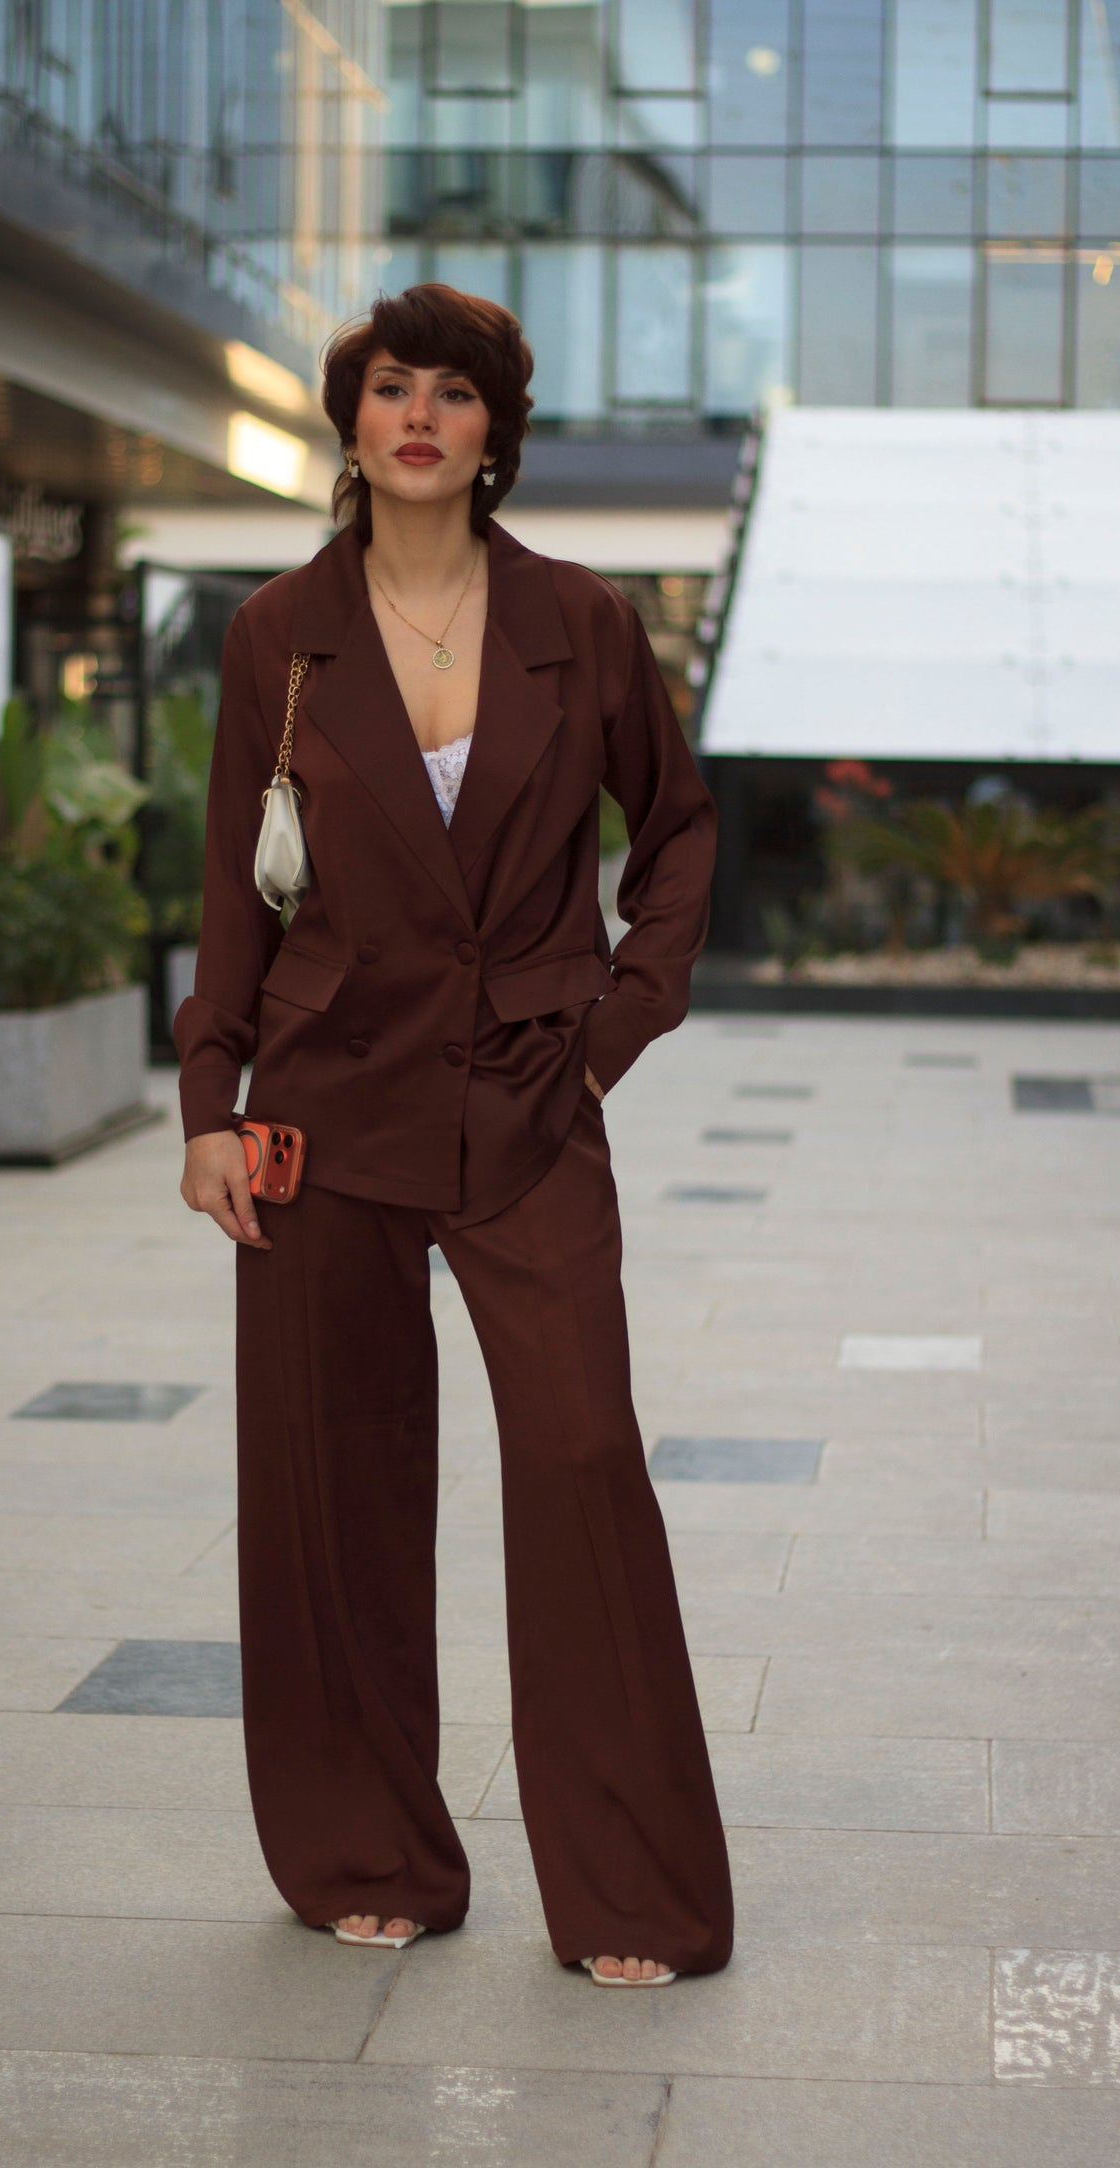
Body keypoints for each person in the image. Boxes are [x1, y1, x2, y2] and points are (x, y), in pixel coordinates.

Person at [176, 284, 733, 1986]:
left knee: (577, 1461)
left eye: (455, 391)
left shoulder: (582, 619)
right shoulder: (281, 632)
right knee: (335, 1482)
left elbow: (682, 831)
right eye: (389, 387)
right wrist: (211, 1104)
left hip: (525, 1103)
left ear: (497, 430)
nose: (419, 413)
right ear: (350, 425)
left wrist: (611, 1029)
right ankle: (371, 1850)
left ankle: (629, 1892)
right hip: (324, 1110)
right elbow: (231, 887)